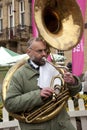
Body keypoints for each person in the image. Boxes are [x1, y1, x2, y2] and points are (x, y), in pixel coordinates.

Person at [4, 37, 82, 130]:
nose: (44, 54)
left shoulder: (54, 68)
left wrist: (73, 82)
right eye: (39, 51)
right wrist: (38, 95)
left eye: (45, 50)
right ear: (29, 52)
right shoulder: (19, 75)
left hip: (62, 125)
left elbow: (71, 93)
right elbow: (10, 104)